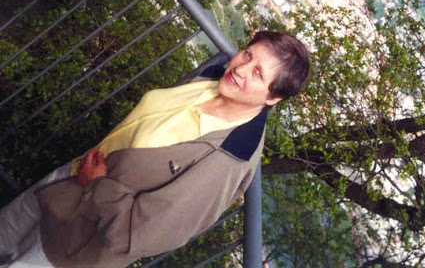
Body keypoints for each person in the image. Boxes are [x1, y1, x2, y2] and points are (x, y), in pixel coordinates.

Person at [0, 31, 310, 268]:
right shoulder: (211, 78)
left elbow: (143, 233)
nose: (241, 69)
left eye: (258, 73)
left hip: (78, 238)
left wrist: (96, 185)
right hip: (66, 180)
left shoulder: (227, 161)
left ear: (272, 98)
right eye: (247, 55)